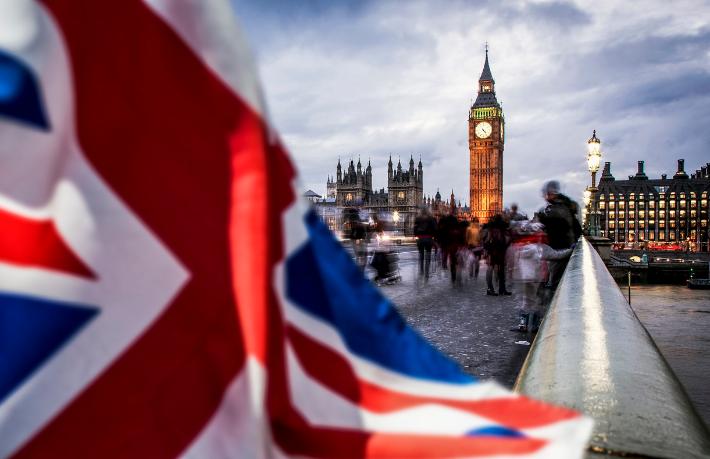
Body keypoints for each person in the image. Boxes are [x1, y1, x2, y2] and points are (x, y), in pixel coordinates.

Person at [538, 180, 582, 289]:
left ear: (552, 193)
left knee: (557, 282)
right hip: (565, 246)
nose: (545, 197)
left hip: (561, 248)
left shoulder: (558, 208)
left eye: (547, 194)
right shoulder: (566, 205)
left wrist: (542, 219)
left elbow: (556, 227)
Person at [483, 214, 511, 295]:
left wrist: (486, 250)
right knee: (500, 269)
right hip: (500, 250)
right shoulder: (502, 229)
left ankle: (491, 289)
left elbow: (486, 240)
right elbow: (507, 240)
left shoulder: (490, 228)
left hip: (493, 250)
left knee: (491, 269)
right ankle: (501, 289)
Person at [413, 207, 437, 278]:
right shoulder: (431, 219)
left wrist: (416, 236)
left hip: (420, 239)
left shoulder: (418, 218)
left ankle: (421, 270)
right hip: (428, 239)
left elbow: (415, 229)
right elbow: (435, 229)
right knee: (428, 255)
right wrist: (434, 238)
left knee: (421, 254)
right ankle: (427, 272)